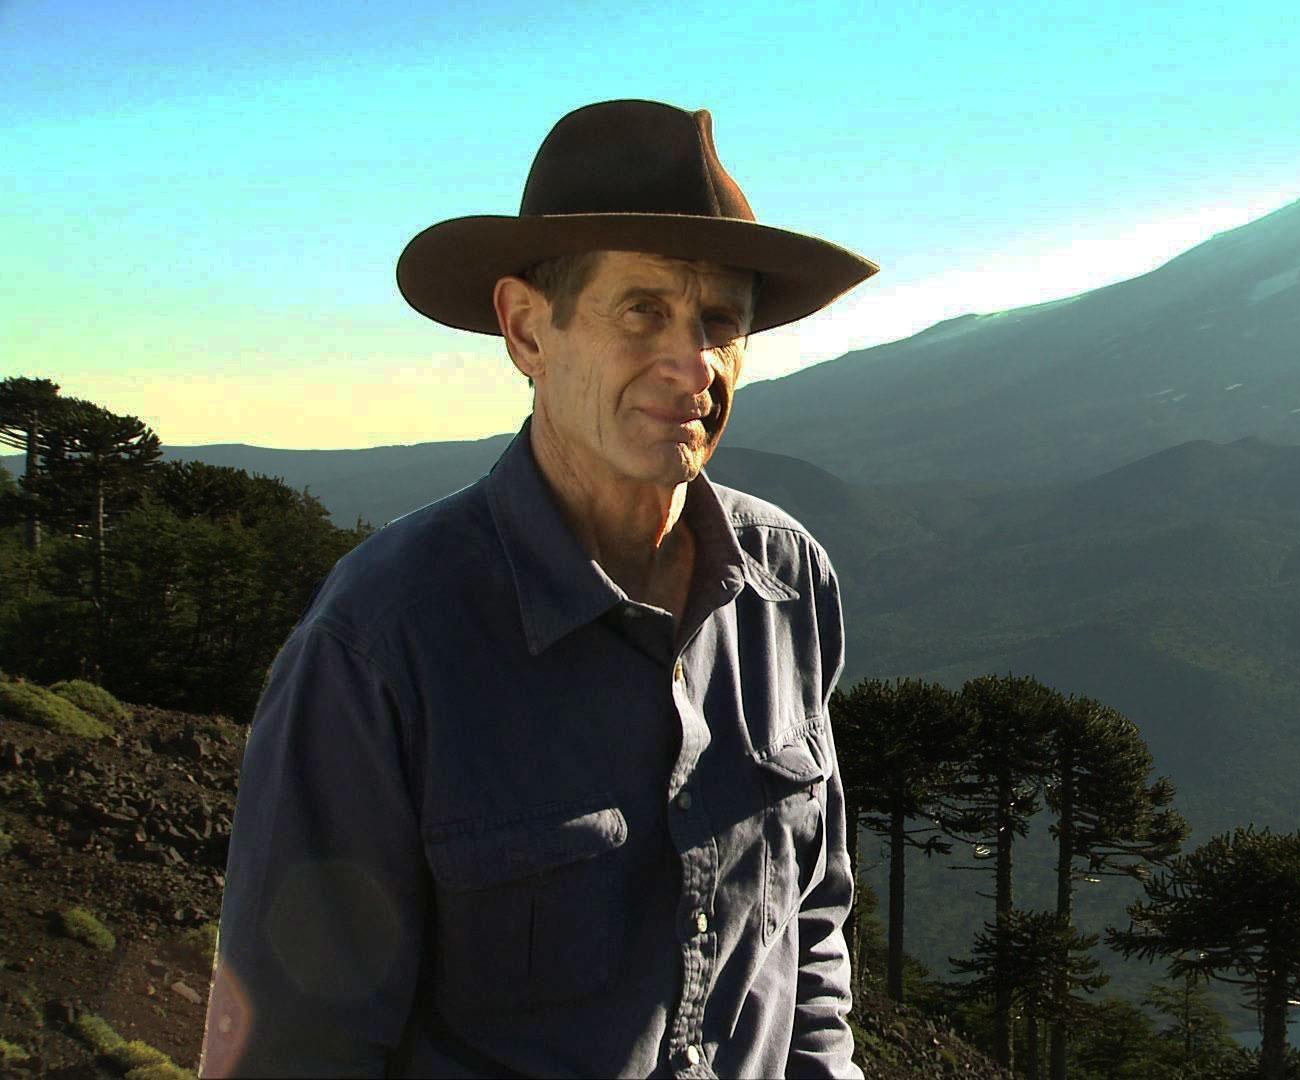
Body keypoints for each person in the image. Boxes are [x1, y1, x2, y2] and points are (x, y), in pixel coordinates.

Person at [199, 99, 878, 1078]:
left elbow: (811, 924)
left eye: (721, 320)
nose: (693, 363)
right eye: (642, 310)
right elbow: (297, 1050)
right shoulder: (383, 641)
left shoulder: (789, 584)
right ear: (526, 329)